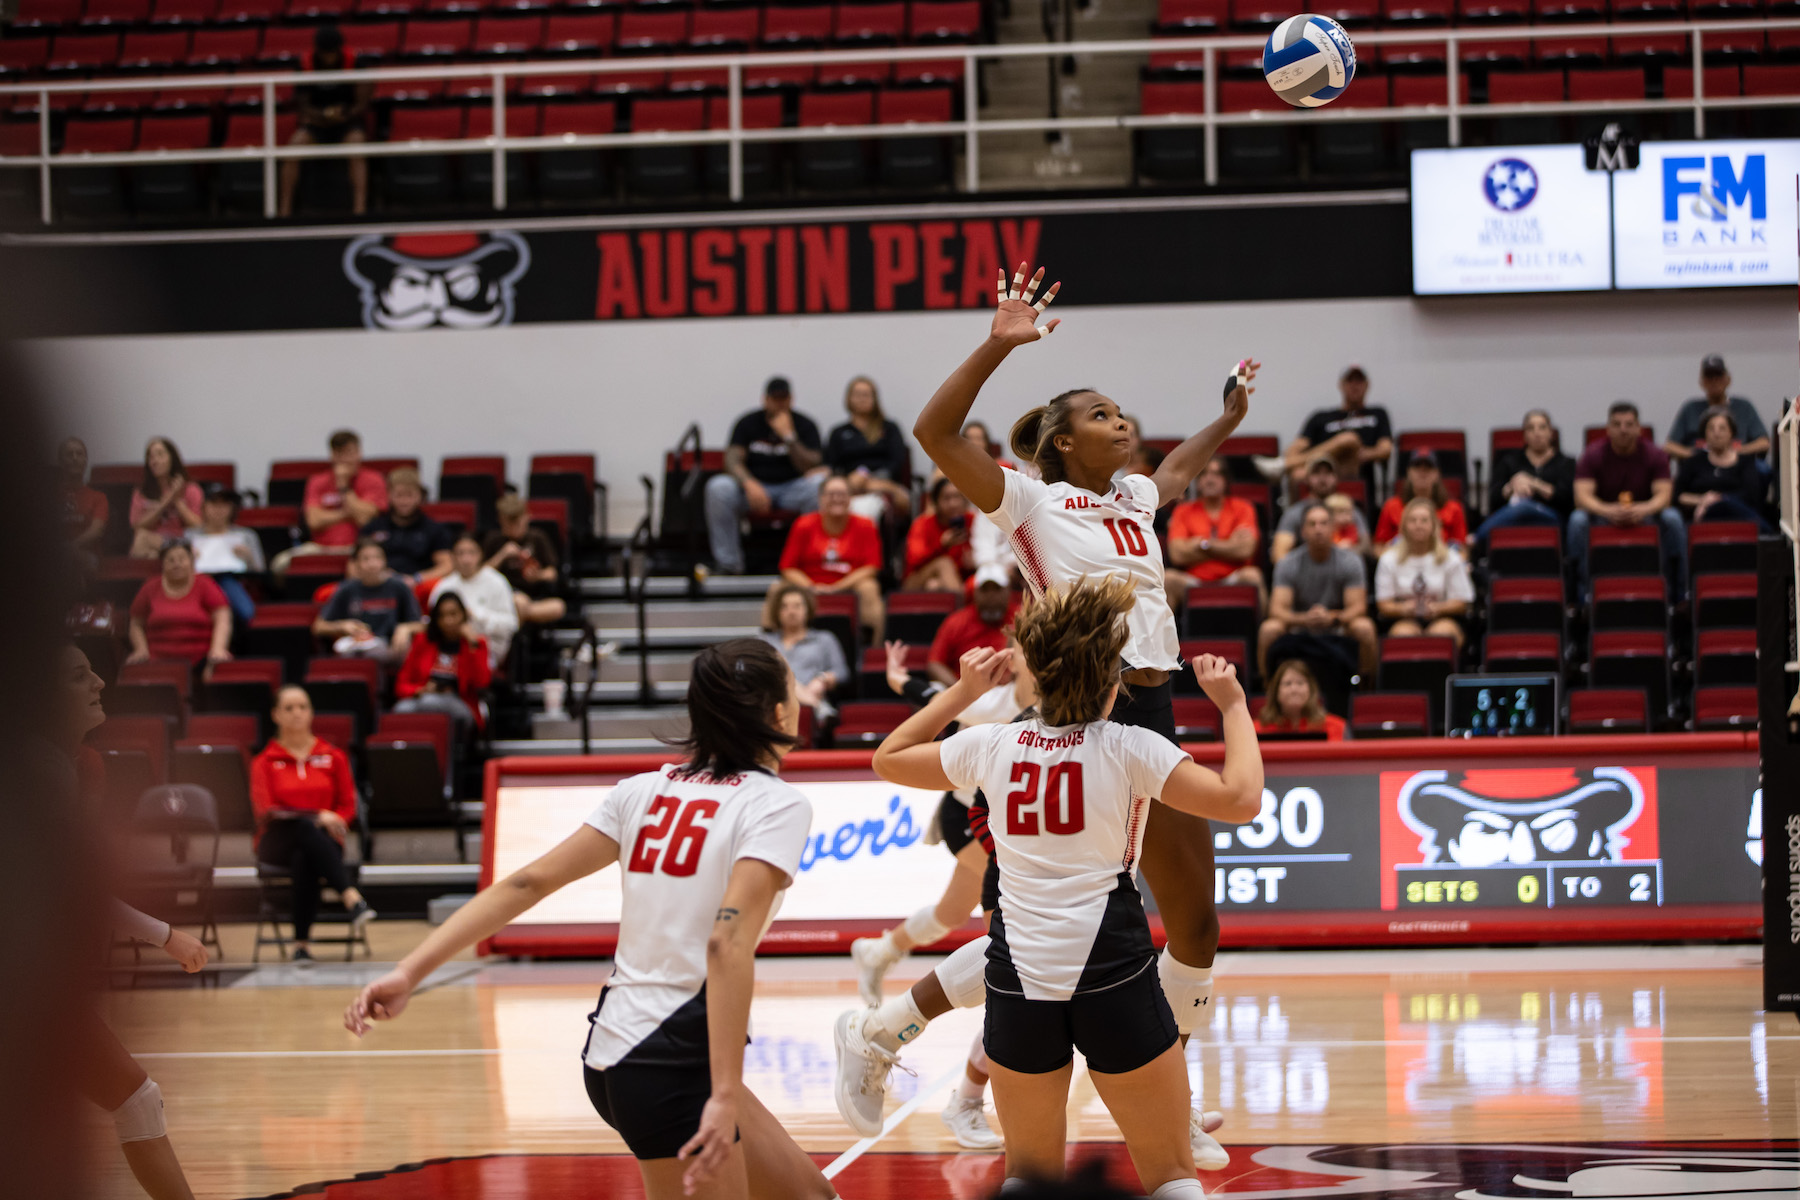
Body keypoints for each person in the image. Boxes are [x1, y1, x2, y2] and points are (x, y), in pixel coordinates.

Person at [904, 261, 1255, 1168]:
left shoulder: (1135, 496)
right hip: (1071, 715)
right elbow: (933, 430)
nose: (1123, 422)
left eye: (1121, 411)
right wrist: (997, 344)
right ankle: (901, 1032)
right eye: (1100, 415)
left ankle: (1166, 1084)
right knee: (1045, 931)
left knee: (1199, 924)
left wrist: (1227, 419)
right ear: (1060, 442)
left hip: (1153, 703)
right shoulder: (1029, 500)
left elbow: (1178, 467)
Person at [345, 639, 838, 1200]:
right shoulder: (777, 804)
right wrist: (723, 1095)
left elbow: (523, 883)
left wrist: (408, 972)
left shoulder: (642, 790)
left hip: (620, 1050)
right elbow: (726, 943)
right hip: (671, 1060)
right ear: (779, 712)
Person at [860, 579, 1263, 1197]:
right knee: (1172, 1178)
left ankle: (892, 1025)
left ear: (1038, 677)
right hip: (1114, 970)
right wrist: (1232, 705)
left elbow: (888, 757)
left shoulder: (990, 744)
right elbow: (1240, 799)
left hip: (1017, 980)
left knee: (1028, 1178)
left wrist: (963, 691)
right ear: (1113, 681)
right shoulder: (1132, 747)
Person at [850, 637, 1040, 1149]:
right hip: (974, 815)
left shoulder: (1062, 705)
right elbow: (924, 694)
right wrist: (894, 674)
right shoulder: (989, 701)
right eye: (1025, 645)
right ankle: (966, 1099)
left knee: (953, 912)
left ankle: (879, 951)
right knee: (1010, 961)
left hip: (1013, 820)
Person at [57, 645, 210, 1200]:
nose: (99, 681)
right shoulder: (37, 767)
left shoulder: (79, 762)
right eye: (78, 676)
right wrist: (165, 935)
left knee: (132, 1099)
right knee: (131, 1099)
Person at [251, 685, 374, 964]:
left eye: (303, 707)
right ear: (275, 715)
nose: (297, 713)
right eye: (289, 708)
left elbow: (347, 805)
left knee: (305, 854)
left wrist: (337, 820)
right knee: (305, 831)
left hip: (322, 842)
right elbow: (267, 810)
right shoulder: (264, 762)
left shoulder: (333, 756)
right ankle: (350, 896)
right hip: (276, 840)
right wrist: (318, 815)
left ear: (311, 713)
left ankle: (301, 946)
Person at [704, 376, 826, 575]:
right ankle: (729, 563)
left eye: (783, 398)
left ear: (791, 399)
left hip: (791, 488)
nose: (779, 403)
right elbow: (732, 461)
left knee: (819, 486)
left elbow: (812, 465)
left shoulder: (805, 425)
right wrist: (749, 484)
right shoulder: (748, 422)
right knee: (718, 487)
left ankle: (808, 562)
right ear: (765, 399)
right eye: (774, 398)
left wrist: (789, 436)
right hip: (753, 488)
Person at [1570, 401, 1685, 603]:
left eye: (1629, 424)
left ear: (1638, 427)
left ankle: (1677, 596)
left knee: (1673, 518)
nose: (1623, 430)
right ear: (1608, 428)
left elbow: (1664, 497)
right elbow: (1581, 497)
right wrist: (1607, 510)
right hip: (1604, 516)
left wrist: (1643, 509)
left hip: (1644, 515)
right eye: (1617, 424)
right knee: (1577, 520)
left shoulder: (1655, 454)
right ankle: (1583, 597)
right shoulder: (1592, 454)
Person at [1258, 503, 1375, 679]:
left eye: (1324, 523)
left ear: (1333, 528)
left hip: (1337, 625)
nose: (1318, 529)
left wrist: (1333, 618)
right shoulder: (1288, 563)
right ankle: (1267, 686)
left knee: (1365, 628)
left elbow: (1358, 607)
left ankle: (1366, 686)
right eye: (1312, 524)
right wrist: (1305, 619)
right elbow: (1276, 610)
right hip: (1299, 626)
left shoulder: (1351, 561)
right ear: (1303, 531)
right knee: (1268, 629)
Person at [777, 475, 885, 643]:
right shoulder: (803, 524)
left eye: (842, 494)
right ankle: (772, 643)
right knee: (777, 588)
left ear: (851, 499)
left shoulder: (866, 525)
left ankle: (873, 648)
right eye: (831, 494)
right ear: (820, 499)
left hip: (849, 584)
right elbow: (787, 567)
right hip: (809, 584)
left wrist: (838, 587)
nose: (836, 499)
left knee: (870, 588)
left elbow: (872, 567)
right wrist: (810, 586)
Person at [278, 25, 371, 218]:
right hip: (316, 123)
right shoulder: (305, 63)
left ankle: (359, 210)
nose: (328, 57)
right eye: (324, 53)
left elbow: (363, 101)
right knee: (292, 149)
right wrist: (323, 115)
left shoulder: (355, 61)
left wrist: (344, 114)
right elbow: (302, 104)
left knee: (357, 148)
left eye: (332, 53)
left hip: (347, 121)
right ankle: (283, 211)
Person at [1163, 457, 1264, 612]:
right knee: (1168, 579)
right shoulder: (1183, 511)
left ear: (1226, 480)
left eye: (1217, 474)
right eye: (1204, 474)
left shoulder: (1243, 507)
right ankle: (1165, 637)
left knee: (1253, 576)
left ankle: (1258, 633)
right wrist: (1229, 544)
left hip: (1233, 577)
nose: (1210, 479)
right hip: (1193, 581)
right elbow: (1177, 554)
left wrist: (1201, 545)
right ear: (1197, 480)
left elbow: (1245, 550)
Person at [1374, 499, 1474, 651]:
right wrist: (1402, 609)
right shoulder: (1388, 559)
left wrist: (1438, 608)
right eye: (1412, 520)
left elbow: (1463, 601)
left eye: (1424, 520)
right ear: (1403, 526)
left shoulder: (1451, 558)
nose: (1418, 525)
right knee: (1402, 634)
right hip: (1403, 618)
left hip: (1444, 616)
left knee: (1441, 633)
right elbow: (1383, 604)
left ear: (1434, 525)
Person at [394, 592, 491, 737]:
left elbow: (482, 682)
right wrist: (421, 690)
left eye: (453, 614)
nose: (448, 621)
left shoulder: (475, 644)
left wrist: (472, 645)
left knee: (429, 702)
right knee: (401, 710)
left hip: (460, 703)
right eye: (442, 616)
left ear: (464, 615)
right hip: (425, 697)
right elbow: (401, 684)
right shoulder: (423, 642)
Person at [1281, 366, 1392, 491]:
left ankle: (1281, 465)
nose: (1355, 386)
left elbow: (1386, 449)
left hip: (1353, 468)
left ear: (1367, 385)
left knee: (1349, 439)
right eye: (1350, 381)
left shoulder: (1377, 414)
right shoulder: (1321, 416)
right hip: (1321, 468)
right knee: (1297, 474)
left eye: (1359, 381)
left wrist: (1358, 453)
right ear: (1341, 385)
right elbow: (1295, 448)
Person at [1474, 409, 1575, 544]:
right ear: (1524, 435)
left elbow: (1568, 499)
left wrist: (1533, 483)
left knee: (1524, 506)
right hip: (1513, 518)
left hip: (1551, 519)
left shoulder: (1565, 463)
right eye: (1530, 428)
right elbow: (1493, 499)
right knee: (1520, 508)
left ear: (1551, 433)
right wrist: (1511, 487)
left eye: (1542, 427)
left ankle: (1475, 539)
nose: (1537, 433)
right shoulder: (1509, 461)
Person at [126, 541, 232, 669]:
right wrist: (141, 649)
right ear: (162, 563)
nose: (177, 564)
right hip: (156, 661)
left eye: (182, 559)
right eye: (171, 560)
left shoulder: (205, 584)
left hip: (201, 660)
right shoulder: (150, 587)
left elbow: (222, 619)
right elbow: (136, 623)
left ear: (191, 561)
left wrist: (218, 649)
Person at [311, 539, 423, 660]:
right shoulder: (346, 589)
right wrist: (342, 626)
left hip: (391, 648)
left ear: (385, 561)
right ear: (356, 564)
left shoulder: (399, 587)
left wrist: (406, 628)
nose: (372, 564)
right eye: (366, 559)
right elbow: (318, 627)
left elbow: (422, 625)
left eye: (377, 558)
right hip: (357, 649)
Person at [825, 375, 912, 526]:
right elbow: (831, 465)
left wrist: (873, 482)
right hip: (850, 486)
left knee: (863, 510)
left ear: (874, 399)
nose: (862, 399)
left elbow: (897, 461)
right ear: (848, 399)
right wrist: (849, 482)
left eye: (866, 395)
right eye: (857, 395)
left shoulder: (889, 428)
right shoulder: (838, 432)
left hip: (883, 484)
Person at [758, 582, 847, 718]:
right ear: (777, 611)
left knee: (784, 678)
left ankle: (808, 702)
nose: (791, 611)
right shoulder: (765, 641)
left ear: (808, 609)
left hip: (809, 697)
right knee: (782, 677)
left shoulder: (824, 638)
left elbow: (842, 672)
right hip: (774, 702)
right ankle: (817, 707)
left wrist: (822, 679)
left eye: (797, 606)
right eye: (784, 607)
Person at [429, 534, 519, 669]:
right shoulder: (444, 585)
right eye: (460, 553)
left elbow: (511, 625)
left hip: (487, 649)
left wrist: (476, 616)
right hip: (448, 649)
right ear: (453, 557)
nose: (466, 559)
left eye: (472, 552)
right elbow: (432, 623)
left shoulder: (496, 582)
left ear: (481, 554)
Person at [1675, 410, 1771, 530]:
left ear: (1732, 432)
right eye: (1711, 428)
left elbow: (1751, 495)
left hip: (1738, 515)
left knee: (1724, 505)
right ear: (1704, 434)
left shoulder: (1745, 462)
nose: (1716, 433)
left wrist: (1719, 499)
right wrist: (1702, 501)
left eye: (1722, 428)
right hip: (1704, 516)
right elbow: (1677, 495)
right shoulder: (1694, 462)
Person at [483, 493, 569, 626]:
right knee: (519, 602)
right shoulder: (494, 540)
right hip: (503, 596)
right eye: (509, 524)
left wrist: (538, 576)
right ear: (501, 520)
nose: (513, 528)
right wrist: (502, 555)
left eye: (517, 523)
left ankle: (511, 624)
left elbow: (553, 573)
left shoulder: (538, 537)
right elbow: (481, 574)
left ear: (527, 517)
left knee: (558, 607)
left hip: (535, 598)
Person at [927, 565, 1020, 686]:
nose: (990, 596)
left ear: (1008, 591)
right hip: (964, 690)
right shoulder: (956, 621)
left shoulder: (1021, 618)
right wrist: (959, 689)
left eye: (997, 589)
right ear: (975, 592)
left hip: (1010, 691)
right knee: (935, 688)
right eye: (985, 590)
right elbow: (935, 663)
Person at [1665, 354, 1769, 462]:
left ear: (1728, 380)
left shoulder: (1744, 407)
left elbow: (1763, 443)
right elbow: (1669, 446)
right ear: (1702, 382)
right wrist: (1695, 455)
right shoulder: (1690, 408)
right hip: (1699, 469)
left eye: (1718, 376)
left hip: (1737, 467)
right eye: (1709, 377)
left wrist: (1735, 453)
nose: (1714, 381)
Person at [301, 430, 388, 555]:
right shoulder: (317, 481)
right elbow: (314, 522)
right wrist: (349, 513)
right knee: (281, 564)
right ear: (332, 455)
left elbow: (365, 521)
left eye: (349, 453)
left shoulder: (374, 479)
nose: (345, 460)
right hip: (319, 547)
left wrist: (344, 487)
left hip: (360, 549)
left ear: (359, 453)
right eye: (339, 453)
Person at [185, 486, 263, 625]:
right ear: (204, 507)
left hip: (233, 580)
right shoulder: (190, 536)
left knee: (242, 607)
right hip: (197, 582)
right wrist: (189, 559)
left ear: (232, 508)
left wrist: (248, 557)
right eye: (214, 504)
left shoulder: (246, 535)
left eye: (224, 505)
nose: (219, 509)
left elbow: (260, 570)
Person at [361, 468, 453, 584]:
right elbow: (354, 566)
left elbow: (447, 566)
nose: (404, 501)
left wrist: (416, 579)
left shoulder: (434, 530)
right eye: (399, 495)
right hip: (379, 585)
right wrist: (377, 576)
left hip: (419, 586)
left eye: (409, 495)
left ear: (420, 496)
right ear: (389, 495)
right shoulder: (373, 527)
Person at [1270, 457, 1368, 562]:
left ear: (1336, 478)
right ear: (1307, 478)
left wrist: (1348, 554)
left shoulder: (1348, 509)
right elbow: (1278, 554)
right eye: (1316, 473)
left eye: (1328, 473)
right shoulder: (1294, 513)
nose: (1322, 478)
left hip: (1343, 570)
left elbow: (1366, 546)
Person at [1373, 450, 1468, 552]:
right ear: (1408, 472)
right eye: (1417, 467)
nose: (1422, 472)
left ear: (1437, 473)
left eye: (1428, 468)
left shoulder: (1454, 508)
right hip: (1401, 562)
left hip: (1441, 563)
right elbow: (1378, 547)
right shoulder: (1391, 506)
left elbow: (1462, 550)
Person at [128, 437, 203, 560]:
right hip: (154, 541)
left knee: (146, 546)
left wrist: (177, 500)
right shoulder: (141, 492)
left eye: (160, 455)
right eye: (151, 457)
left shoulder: (191, 489)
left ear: (172, 458)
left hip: (183, 542)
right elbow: (137, 526)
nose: (155, 461)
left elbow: (198, 525)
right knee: (142, 539)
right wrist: (166, 502)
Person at [902, 477, 975, 592]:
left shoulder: (973, 521)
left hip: (958, 580)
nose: (953, 504)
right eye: (946, 498)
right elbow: (914, 560)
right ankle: (963, 608)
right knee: (944, 563)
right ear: (935, 502)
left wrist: (976, 561)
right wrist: (941, 545)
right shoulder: (922, 524)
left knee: (935, 585)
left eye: (957, 497)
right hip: (917, 579)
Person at [1254, 659, 1345, 740]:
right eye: (1288, 684)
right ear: (1276, 692)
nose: (1294, 689)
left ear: (1311, 690)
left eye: (1300, 683)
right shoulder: (1256, 730)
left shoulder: (1337, 727)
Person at [58, 436, 108, 558]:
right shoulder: (50, 496)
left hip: (87, 555)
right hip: (54, 555)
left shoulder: (98, 497)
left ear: (86, 460)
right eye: (70, 454)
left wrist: (71, 547)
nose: (75, 458)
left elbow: (96, 530)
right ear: (60, 461)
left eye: (79, 454)